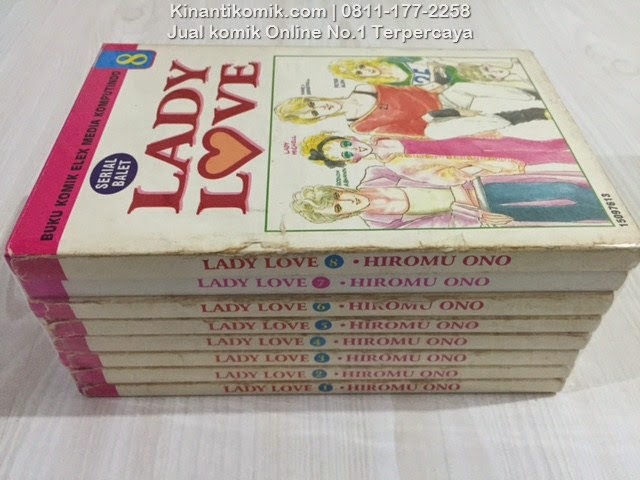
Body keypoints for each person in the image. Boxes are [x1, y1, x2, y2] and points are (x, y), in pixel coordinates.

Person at [291, 165, 608, 228]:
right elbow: (435, 224)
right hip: (483, 213)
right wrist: (477, 217)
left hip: (481, 188)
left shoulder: (378, 174)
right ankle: (598, 213)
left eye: (338, 196)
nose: (347, 202)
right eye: (338, 209)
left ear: (339, 189)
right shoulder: (380, 222)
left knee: (562, 190)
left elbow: (424, 167)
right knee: (561, 215)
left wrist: (460, 172)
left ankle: (599, 201)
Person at [275, 83, 554, 140]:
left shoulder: (363, 87)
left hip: (438, 98)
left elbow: (409, 90)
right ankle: (525, 115)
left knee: (460, 88)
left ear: (313, 98)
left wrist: (432, 89)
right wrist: (453, 114)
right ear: (319, 118)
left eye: (312, 104)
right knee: (438, 130)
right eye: (314, 113)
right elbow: (412, 128)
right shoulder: (358, 126)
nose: (320, 108)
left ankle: (531, 96)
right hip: (433, 122)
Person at [300, 132, 578, 187]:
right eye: (347, 154)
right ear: (351, 162)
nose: (353, 149)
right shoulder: (397, 165)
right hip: (477, 159)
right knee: (544, 159)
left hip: (476, 139)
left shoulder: (382, 134)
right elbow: (442, 178)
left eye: (346, 145)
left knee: (541, 144)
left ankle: (572, 147)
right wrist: (474, 168)